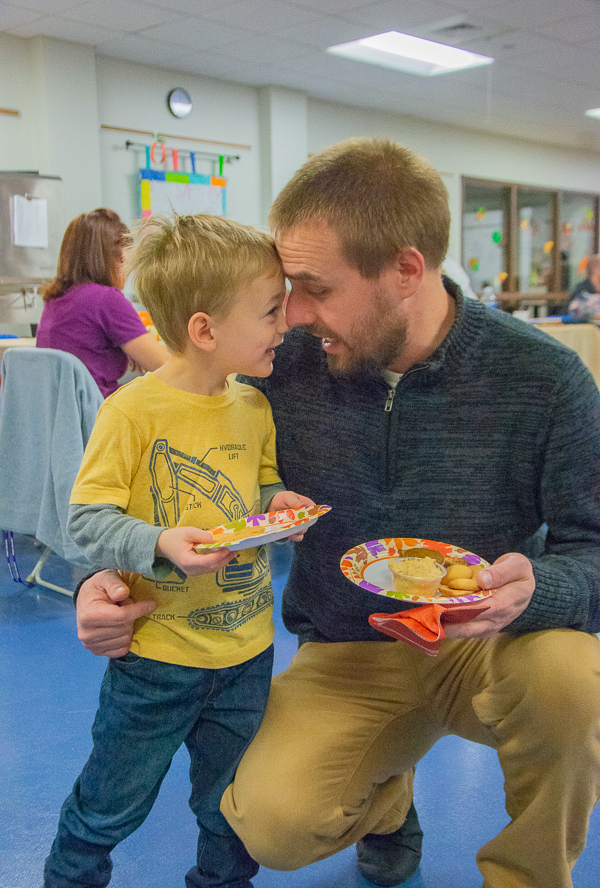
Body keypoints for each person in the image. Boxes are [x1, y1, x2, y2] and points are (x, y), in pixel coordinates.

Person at [74, 139, 600, 888]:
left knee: (575, 682)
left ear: (406, 271)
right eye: (286, 288)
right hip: (347, 649)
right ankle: (389, 799)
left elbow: (591, 546)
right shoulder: (276, 361)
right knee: (270, 824)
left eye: (314, 286)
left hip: (489, 644)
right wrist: (106, 576)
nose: (292, 312)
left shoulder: (545, 378)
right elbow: (162, 471)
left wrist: (536, 590)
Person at [43, 213, 314, 888]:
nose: (286, 327)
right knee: (110, 806)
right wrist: (158, 542)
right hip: (155, 666)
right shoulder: (131, 414)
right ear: (205, 330)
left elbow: (261, 482)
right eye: (271, 311)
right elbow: (86, 519)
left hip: (248, 654)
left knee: (229, 808)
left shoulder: (254, 407)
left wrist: (278, 503)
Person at [36, 207, 168, 397]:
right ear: (116, 255)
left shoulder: (56, 299)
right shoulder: (107, 299)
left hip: (61, 414)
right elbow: (163, 364)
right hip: (96, 414)